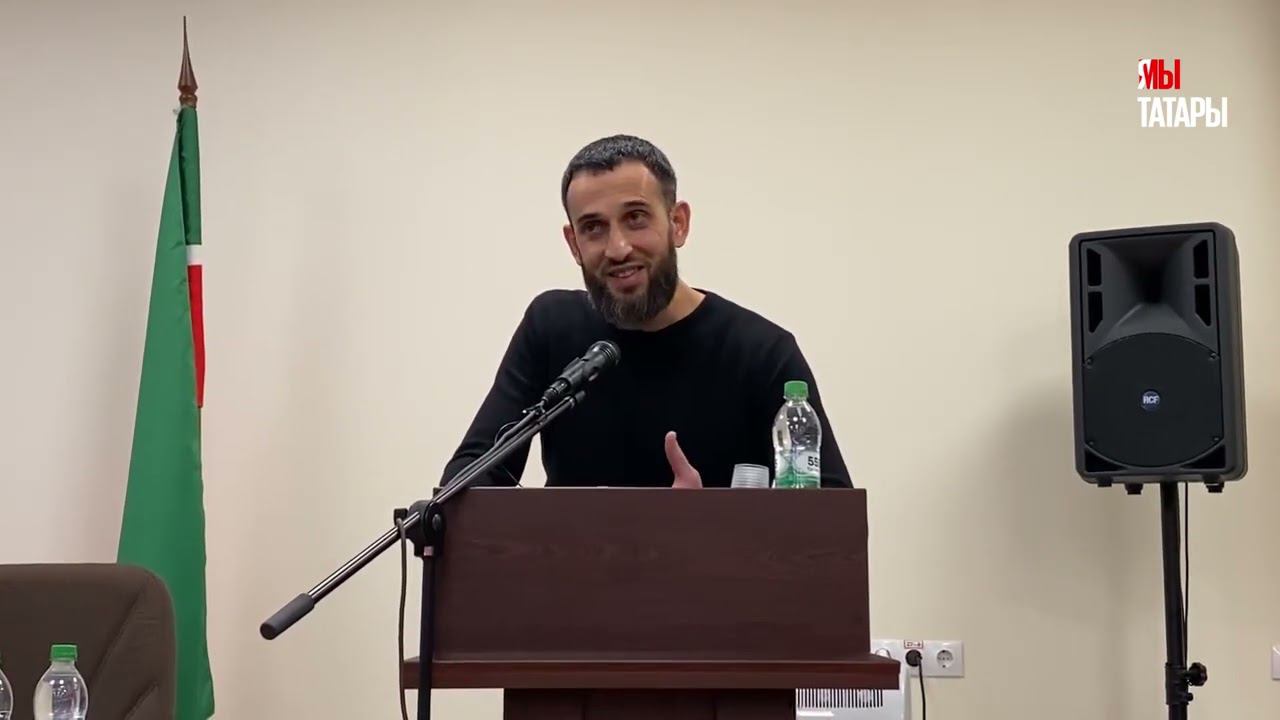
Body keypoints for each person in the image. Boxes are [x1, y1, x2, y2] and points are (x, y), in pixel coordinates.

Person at [441, 134, 852, 489]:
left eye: (636, 218)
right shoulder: (551, 326)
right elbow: (472, 475)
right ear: (573, 243)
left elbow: (829, 519)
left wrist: (710, 524)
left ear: (678, 223)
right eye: (593, 228)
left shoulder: (762, 352)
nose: (618, 248)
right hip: (571, 561)